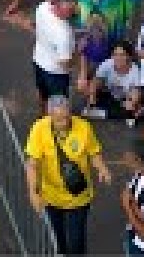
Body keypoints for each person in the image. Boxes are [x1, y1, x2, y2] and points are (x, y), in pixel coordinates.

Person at [24, 95, 111, 255]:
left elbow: (93, 152)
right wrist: (33, 192)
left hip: (78, 197)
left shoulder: (84, 127)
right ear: (48, 115)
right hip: (51, 197)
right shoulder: (38, 129)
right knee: (57, 239)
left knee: (76, 242)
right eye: (58, 120)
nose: (63, 123)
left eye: (66, 118)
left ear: (70, 112)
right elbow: (32, 164)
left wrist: (101, 168)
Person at [32, 0, 77, 113]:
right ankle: (55, 124)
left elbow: (35, 24)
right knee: (59, 103)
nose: (72, 13)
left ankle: (42, 115)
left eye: (73, 8)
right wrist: (78, 51)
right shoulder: (63, 33)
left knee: (42, 92)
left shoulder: (43, 8)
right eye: (69, 11)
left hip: (38, 60)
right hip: (56, 72)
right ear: (57, 7)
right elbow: (65, 63)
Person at [85, 40, 144, 123]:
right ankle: (125, 115)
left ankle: (103, 113)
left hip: (126, 98)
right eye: (115, 55)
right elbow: (96, 80)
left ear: (129, 56)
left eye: (122, 55)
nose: (118, 58)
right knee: (92, 91)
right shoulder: (107, 64)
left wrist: (132, 101)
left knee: (133, 108)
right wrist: (92, 96)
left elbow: (137, 92)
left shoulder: (135, 71)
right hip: (111, 96)